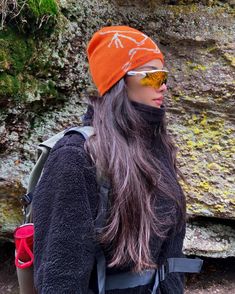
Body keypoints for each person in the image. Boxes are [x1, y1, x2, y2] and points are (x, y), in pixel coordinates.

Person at [32, 25, 187, 293]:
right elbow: (60, 277)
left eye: (164, 76)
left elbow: (171, 258)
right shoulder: (76, 157)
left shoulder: (158, 146)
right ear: (118, 80)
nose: (163, 85)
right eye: (152, 76)